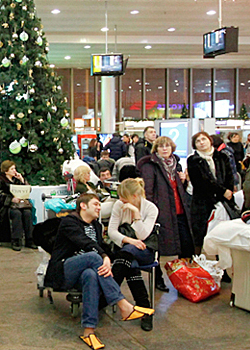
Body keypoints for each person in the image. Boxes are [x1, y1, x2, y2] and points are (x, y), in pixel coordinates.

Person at [44, 193, 154, 349]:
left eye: (99, 205)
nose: (99, 207)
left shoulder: (96, 225)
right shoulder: (69, 222)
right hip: (64, 269)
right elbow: (84, 242)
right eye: (95, 204)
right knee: (93, 257)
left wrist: (115, 254)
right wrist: (103, 257)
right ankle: (122, 304)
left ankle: (89, 331)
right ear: (83, 206)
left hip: (84, 272)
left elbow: (102, 246)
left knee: (91, 275)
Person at [137, 136, 195, 291]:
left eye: (167, 146)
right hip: (161, 211)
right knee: (159, 248)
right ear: (156, 148)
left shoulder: (176, 165)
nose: (164, 149)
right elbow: (147, 190)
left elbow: (179, 188)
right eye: (161, 146)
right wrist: (149, 212)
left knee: (186, 244)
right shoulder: (150, 165)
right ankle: (158, 279)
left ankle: (186, 278)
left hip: (179, 209)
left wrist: (185, 180)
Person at [107, 178, 157, 331]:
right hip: (126, 247)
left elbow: (142, 235)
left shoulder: (151, 208)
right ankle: (144, 308)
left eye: (124, 197)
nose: (121, 200)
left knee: (125, 257)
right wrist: (130, 241)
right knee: (128, 262)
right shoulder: (118, 205)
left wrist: (136, 214)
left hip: (145, 248)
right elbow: (111, 231)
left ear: (134, 197)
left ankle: (105, 295)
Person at [187, 131, 234, 254]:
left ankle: (224, 267)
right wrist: (222, 191)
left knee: (224, 235)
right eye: (198, 141)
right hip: (202, 202)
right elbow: (202, 182)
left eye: (204, 139)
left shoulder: (222, 157)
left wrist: (228, 191)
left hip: (223, 202)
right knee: (200, 235)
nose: (201, 142)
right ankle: (198, 263)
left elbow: (229, 176)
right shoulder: (193, 160)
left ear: (210, 141)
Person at [0, 160, 36, 251]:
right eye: (12, 169)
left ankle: (29, 239)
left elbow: (27, 190)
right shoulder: (0, 180)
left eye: (15, 168)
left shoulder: (16, 180)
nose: (15, 171)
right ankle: (16, 240)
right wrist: (10, 199)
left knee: (27, 212)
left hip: (19, 204)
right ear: (6, 171)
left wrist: (22, 180)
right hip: (5, 206)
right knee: (16, 213)